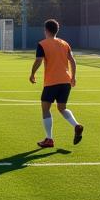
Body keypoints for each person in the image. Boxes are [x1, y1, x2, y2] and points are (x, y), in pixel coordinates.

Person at [29, 19, 84, 148]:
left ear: (46, 30)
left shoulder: (42, 44)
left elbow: (38, 60)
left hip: (52, 81)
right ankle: (76, 125)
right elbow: (72, 60)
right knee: (62, 108)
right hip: (66, 81)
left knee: (45, 109)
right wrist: (73, 77)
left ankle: (49, 139)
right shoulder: (65, 43)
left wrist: (32, 73)